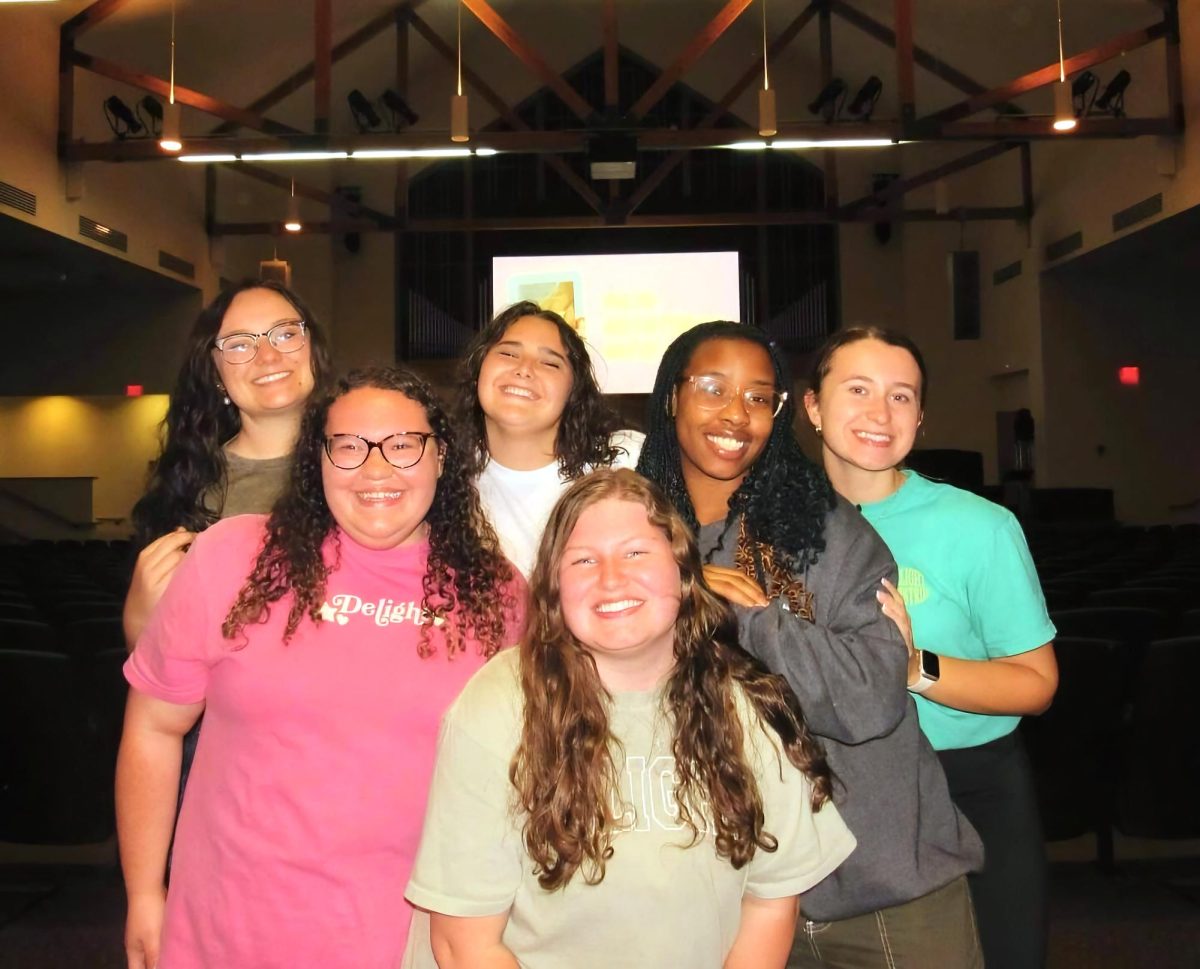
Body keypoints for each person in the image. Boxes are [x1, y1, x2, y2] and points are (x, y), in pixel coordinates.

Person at [116, 368, 523, 969]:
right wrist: (145, 895)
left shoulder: (498, 595)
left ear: (442, 459)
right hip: (227, 932)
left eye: (405, 445)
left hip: (410, 943)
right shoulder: (234, 557)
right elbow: (153, 727)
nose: (376, 469)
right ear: (319, 461)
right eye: (349, 446)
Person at [404, 468, 856, 969]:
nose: (612, 578)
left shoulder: (745, 706)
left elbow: (770, 903)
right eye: (583, 560)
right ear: (554, 587)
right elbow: (463, 942)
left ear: (684, 572)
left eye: (636, 552)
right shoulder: (498, 706)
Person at [638, 321, 984, 969]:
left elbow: (870, 696)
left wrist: (746, 615)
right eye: (712, 388)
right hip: (732, 896)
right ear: (671, 398)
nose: (735, 413)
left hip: (879, 888)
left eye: (758, 396)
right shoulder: (638, 539)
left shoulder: (820, 529)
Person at [804, 326, 1058, 969]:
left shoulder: (980, 527)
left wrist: (911, 667)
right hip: (841, 790)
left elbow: (1035, 683)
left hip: (971, 781)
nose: (878, 413)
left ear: (920, 416)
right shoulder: (777, 527)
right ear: (812, 406)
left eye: (901, 396)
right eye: (857, 389)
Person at [124, 279, 332, 647]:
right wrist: (140, 618)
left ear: (312, 347)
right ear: (217, 376)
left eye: (285, 335)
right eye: (239, 344)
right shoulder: (192, 488)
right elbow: (165, 672)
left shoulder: (369, 465)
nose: (268, 356)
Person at [456, 300, 643, 577]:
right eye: (508, 354)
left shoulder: (628, 457)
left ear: (574, 392)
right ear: (478, 372)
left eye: (549, 363)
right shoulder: (440, 471)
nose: (524, 369)